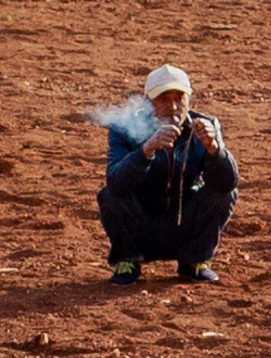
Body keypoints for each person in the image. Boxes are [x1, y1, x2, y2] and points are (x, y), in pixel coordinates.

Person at [99, 65, 237, 285]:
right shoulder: (124, 128)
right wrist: (146, 150)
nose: (173, 106)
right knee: (110, 195)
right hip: (140, 223)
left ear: (189, 99)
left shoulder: (205, 125)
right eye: (163, 98)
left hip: (183, 222)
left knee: (223, 195)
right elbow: (116, 183)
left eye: (179, 98)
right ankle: (128, 259)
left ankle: (194, 260)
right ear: (148, 103)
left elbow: (227, 184)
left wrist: (214, 149)